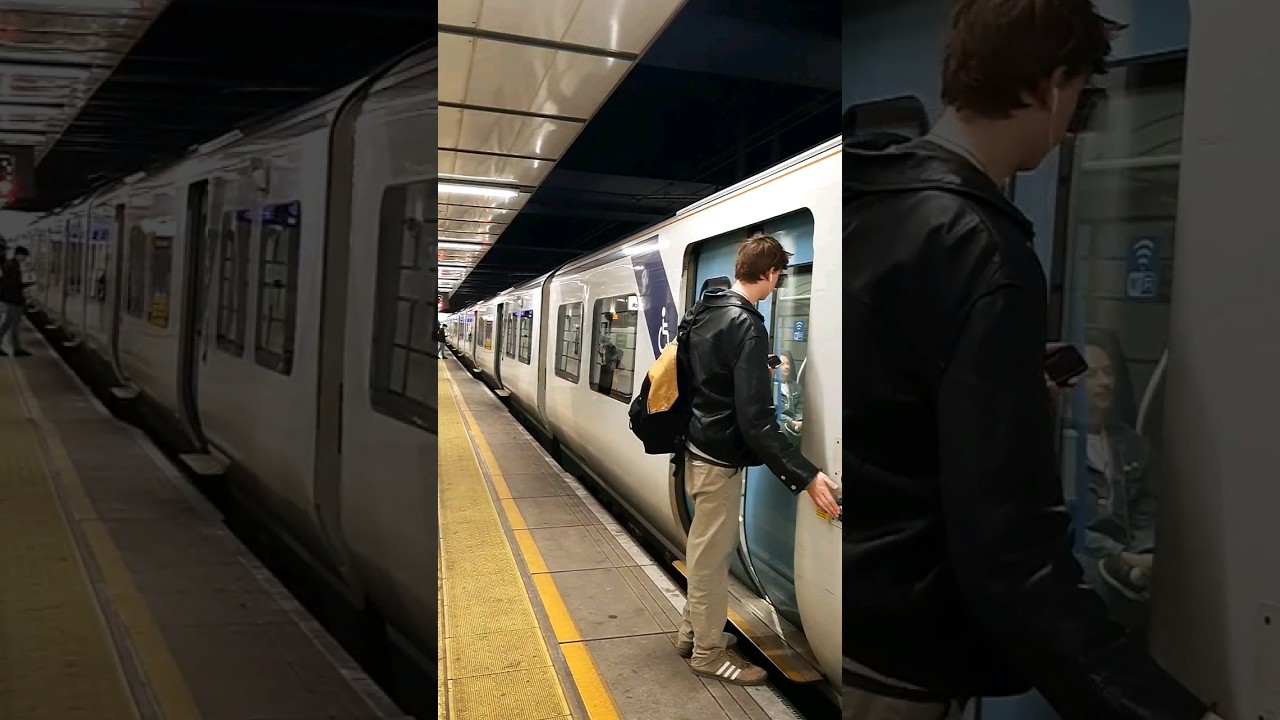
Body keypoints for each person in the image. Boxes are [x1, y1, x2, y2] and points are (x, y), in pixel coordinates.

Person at [843, 1, 1220, 719]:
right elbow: (1010, 548)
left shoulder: (871, 199)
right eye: (1080, 93)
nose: (1075, 115)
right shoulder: (984, 249)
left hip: (857, 617)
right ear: (1052, 85)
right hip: (902, 661)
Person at [675, 234, 840, 685]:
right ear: (769, 273)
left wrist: (757, 367)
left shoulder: (708, 309)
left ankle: (693, 632)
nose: (777, 285)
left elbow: (710, 374)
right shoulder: (747, 323)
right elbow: (756, 422)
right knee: (710, 556)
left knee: (704, 549)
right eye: (780, 276)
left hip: (696, 444)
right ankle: (708, 654)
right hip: (718, 457)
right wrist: (806, 475)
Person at [0, 245, 32, 357]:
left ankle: (16, 347)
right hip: (14, 300)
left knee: (9, 324)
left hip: (10, 299)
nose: (24, 259)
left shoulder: (10, 265)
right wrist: (29, 284)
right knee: (12, 324)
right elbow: (13, 285)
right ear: (18, 255)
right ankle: (17, 348)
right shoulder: (13, 266)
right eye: (24, 256)